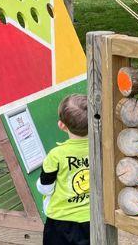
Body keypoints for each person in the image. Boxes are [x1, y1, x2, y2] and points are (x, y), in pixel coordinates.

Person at [37, 94, 90, 245]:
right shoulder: (101, 149)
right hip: (92, 218)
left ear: (62, 125)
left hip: (60, 220)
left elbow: (45, 188)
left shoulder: (55, 156)